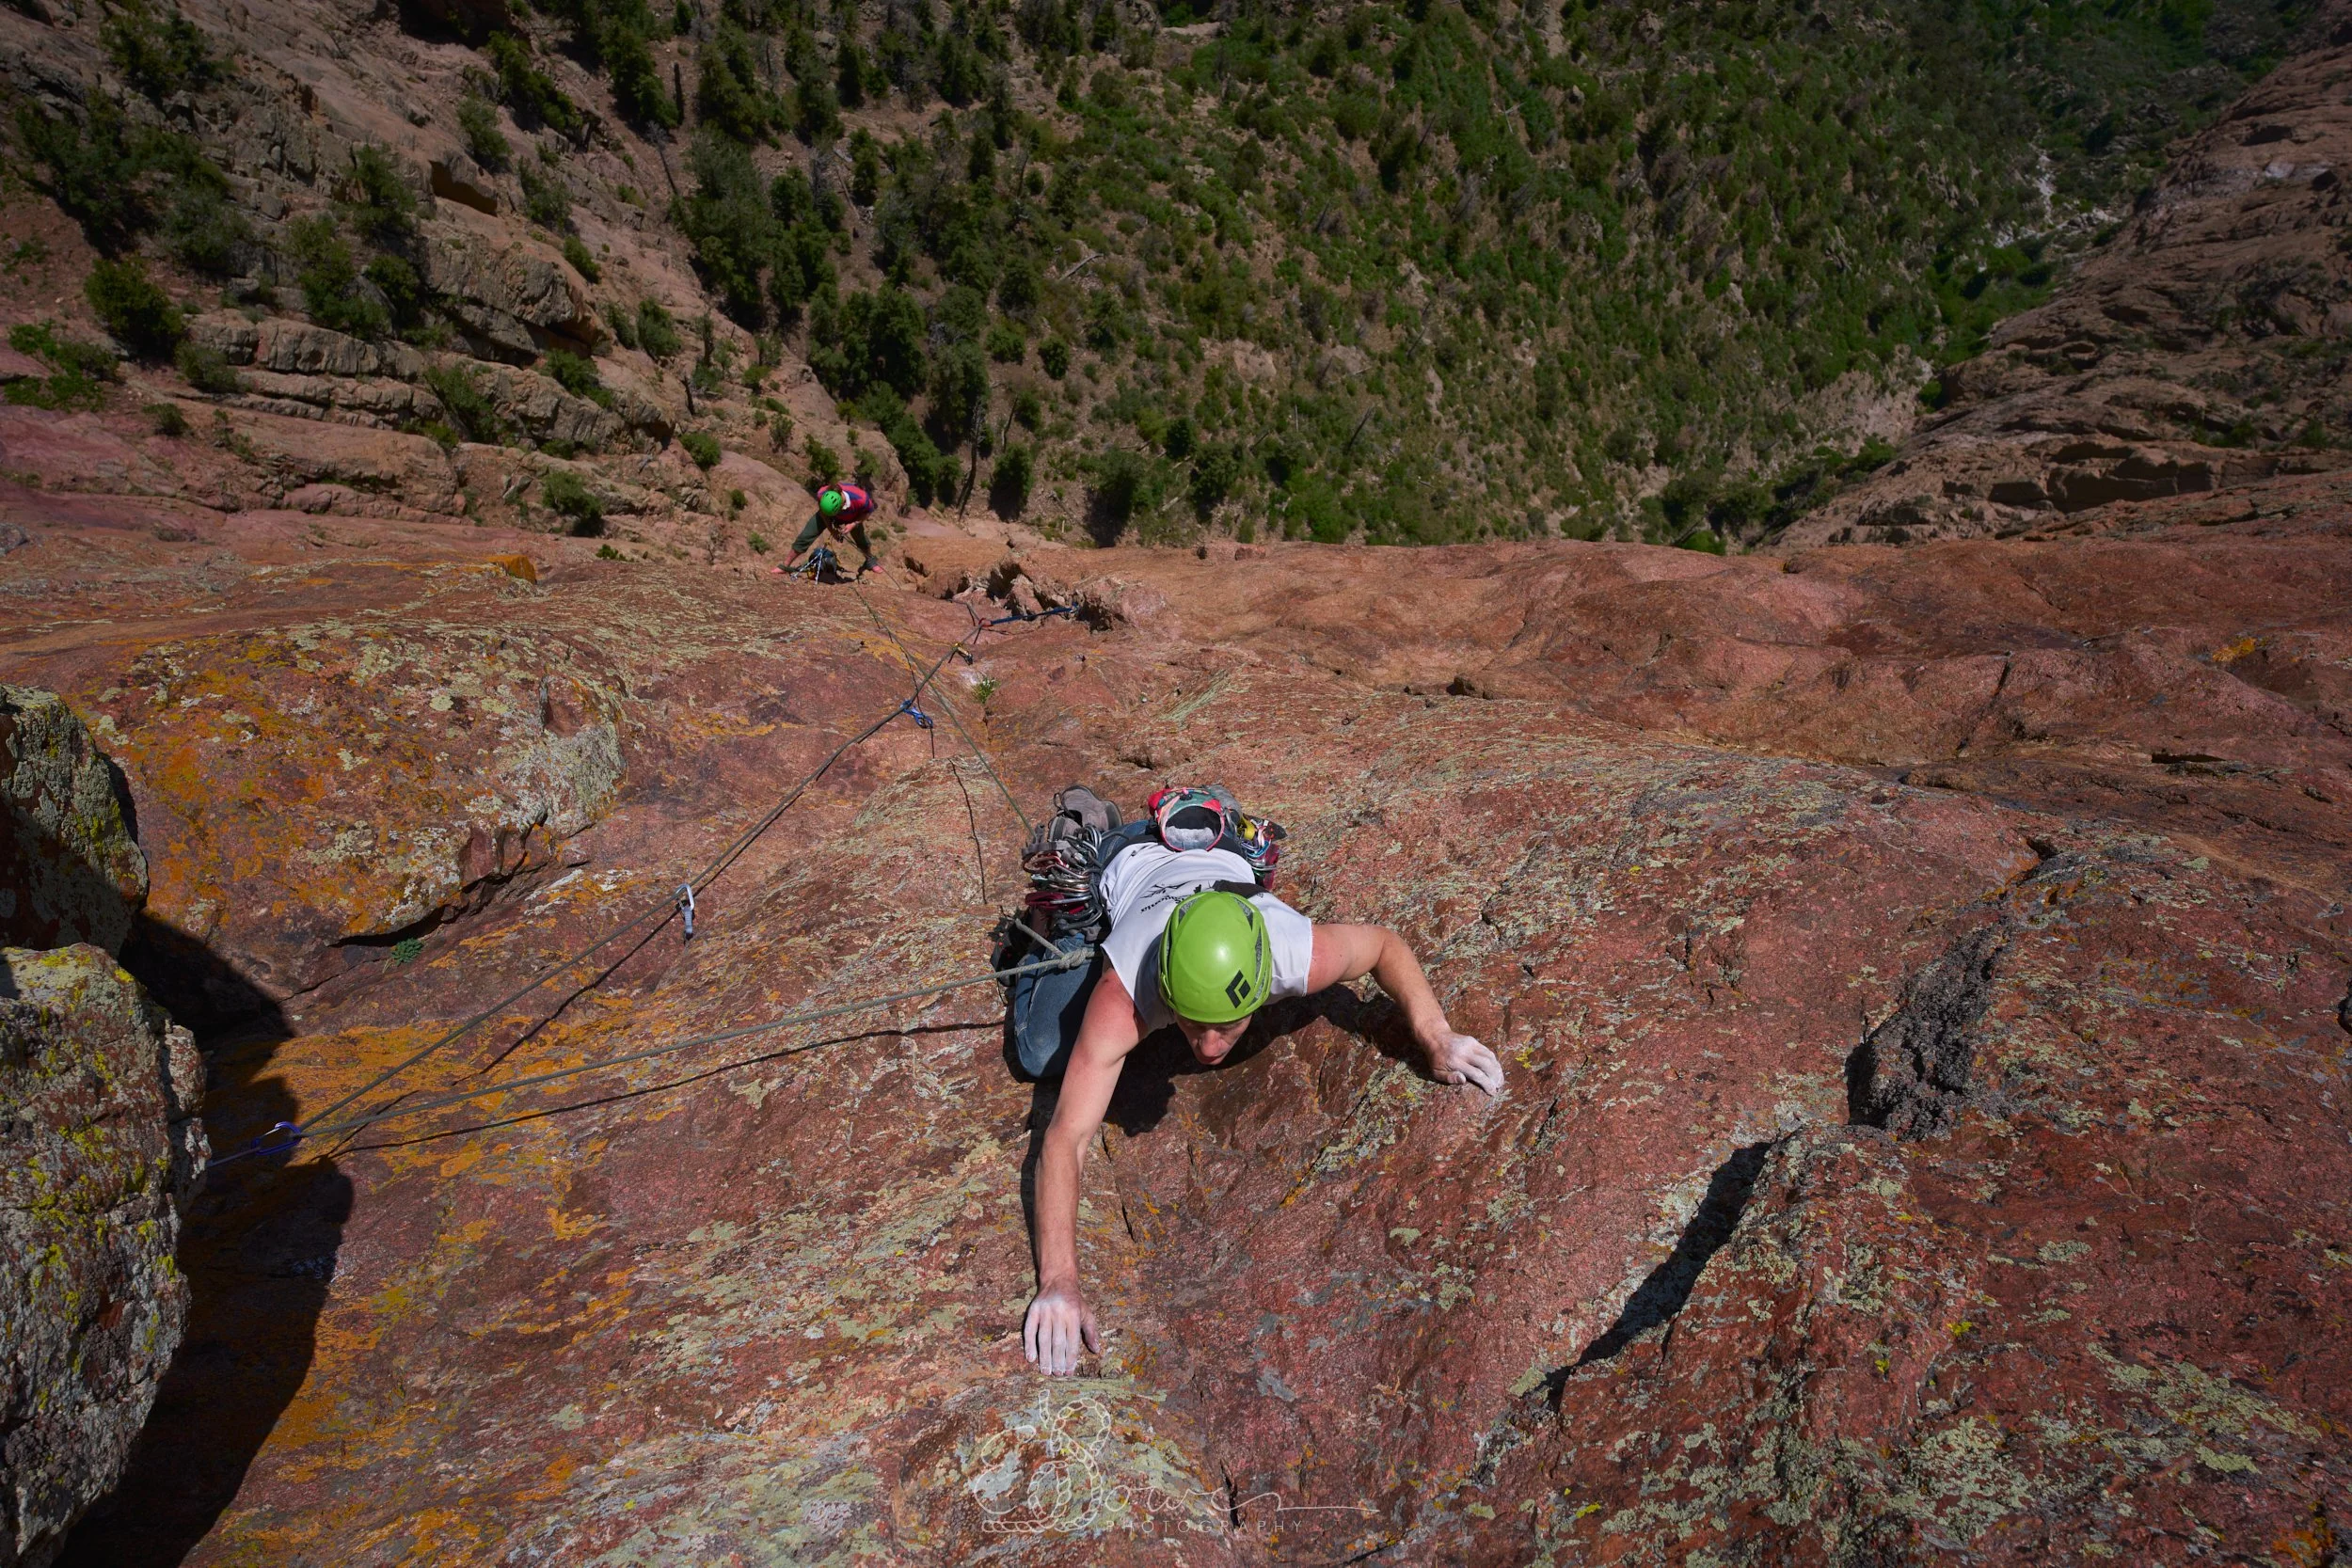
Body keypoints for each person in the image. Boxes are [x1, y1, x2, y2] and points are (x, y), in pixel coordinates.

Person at [1017, 790, 1504, 1376]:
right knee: (1041, 1050)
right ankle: (1078, 871)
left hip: (1218, 852)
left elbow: (1382, 944)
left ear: (1262, 986)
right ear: (1166, 994)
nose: (1210, 1049)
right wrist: (1060, 1281)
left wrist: (1436, 1035)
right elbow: (1065, 1138)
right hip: (1128, 865)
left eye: (1227, 1027)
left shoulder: (1288, 950)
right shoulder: (1127, 992)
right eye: (1193, 1027)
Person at [779, 482, 877, 578]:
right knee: (807, 535)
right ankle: (784, 566)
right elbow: (823, 513)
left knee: (860, 538)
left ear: (841, 506)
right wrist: (832, 530)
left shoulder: (861, 498)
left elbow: (867, 513)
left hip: (854, 516)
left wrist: (853, 524)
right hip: (827, 515)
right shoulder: (822, 494)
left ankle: (870, 561)